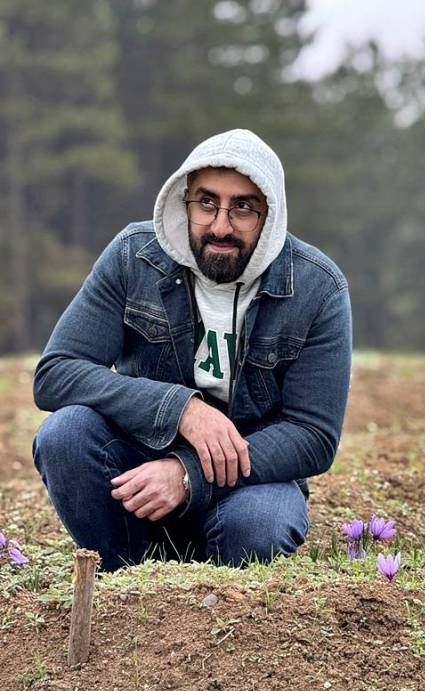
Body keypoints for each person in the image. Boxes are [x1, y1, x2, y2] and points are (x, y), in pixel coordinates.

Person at [32, 129, 352, 572]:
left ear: (270, 214)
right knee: (64, 434)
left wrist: (187, 474)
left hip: (248, 482)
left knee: (261, 525)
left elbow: (313, 436)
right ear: (184, 202)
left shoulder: (318, 288)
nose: (221, 225)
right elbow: (56, 374)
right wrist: (181, 409)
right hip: (138, 469)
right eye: (206, 203)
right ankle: (122, 577)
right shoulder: (133, 256)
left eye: (243, 207)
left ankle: (211, 603)